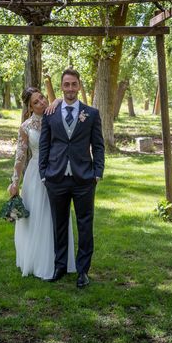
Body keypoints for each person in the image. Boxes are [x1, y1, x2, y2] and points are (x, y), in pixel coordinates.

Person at [39, 68, 105, 288]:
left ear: (79, 86)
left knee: (85, 225)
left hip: (84, 179)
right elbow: (44, 145)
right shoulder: (50, 114)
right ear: (62, 86)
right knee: (59, 224)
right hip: (55, 178)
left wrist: (97, 173)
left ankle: (83, 271)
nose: (70, 88)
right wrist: (43, 174)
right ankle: (59, 267)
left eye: (73, 84)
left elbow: (98, 146)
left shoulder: (92, 114)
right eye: (66, 84)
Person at [8, 88, 76, 279]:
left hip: (58, 170)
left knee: (58, 215)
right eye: (36, 102)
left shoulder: (56, 114)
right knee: (37, 216)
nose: (42, 103)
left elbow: (71, 101)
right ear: (29, 108)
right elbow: (20, 156)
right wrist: (14, 182)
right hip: (35, 174)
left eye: (43, 98)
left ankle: (60, 259)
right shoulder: (26, 127)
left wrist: (58, 100)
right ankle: (39, 261)